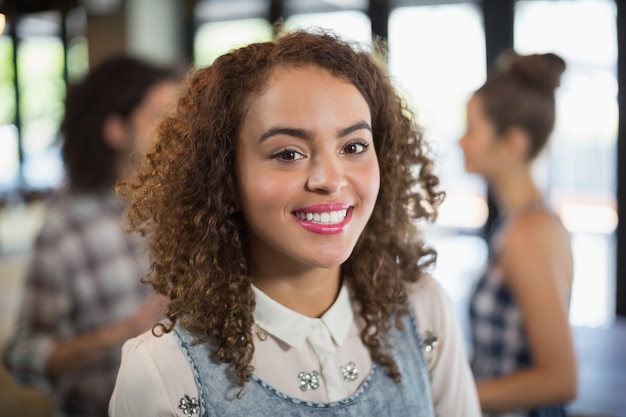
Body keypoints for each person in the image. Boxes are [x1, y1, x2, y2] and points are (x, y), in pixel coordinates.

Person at [108, 29, 481, 416]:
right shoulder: (161, 371)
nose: (331, 179)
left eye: (353, 147)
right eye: (288, 153)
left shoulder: (424, 310)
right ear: (226, 180)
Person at [3, 56, 179, 417]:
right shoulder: (66, 231)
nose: (175, 131)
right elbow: (22, 356)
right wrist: (124, 332)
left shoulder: (177, 205)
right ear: (116, 130)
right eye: (158, 117)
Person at [460, 50, 577, 416]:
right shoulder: (519, 224)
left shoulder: (530, 234)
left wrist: (451, 396)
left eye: (472, 130)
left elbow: (560, 380)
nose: (462, 142)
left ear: (512, 142)